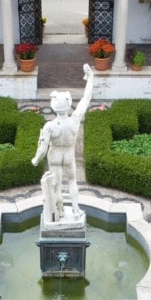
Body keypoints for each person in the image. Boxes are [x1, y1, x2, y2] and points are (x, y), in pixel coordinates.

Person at [32, 64, 94, 223]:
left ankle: (59, 212)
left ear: (53, 107)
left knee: (57, 186)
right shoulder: (75, 119)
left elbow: (43, 148)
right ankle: (75, 209)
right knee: (72, 181)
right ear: (68, 105)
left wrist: (36, 160)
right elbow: (86, 98)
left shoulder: (49, 126)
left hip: (54, 155)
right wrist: (90, 77)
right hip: (68, 154)